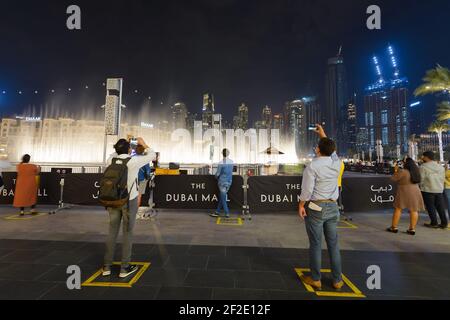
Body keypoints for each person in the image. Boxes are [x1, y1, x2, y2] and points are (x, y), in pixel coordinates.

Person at [102, 137, 156, 278]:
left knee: (112, 232)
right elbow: (152, 155)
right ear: (129, 150)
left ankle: (107, 266)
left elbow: (113, 154)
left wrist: (123, 144)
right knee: (128, 233)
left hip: (113, 201)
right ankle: (124, 268)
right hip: (128, 201)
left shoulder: (111, 161)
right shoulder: (133, 161)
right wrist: (144, 144)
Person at [298, 124, 343, 291]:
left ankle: (316, 279)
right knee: (333, 244)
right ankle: (337, 280)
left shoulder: (313, 166)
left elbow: (307, 190)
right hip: (333, 207)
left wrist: (301, 205)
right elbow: (330, 149)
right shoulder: (336, 162)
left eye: (317, 146)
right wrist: (323, 133)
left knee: (316, 244)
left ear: (318, 150)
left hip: (316, 207)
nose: (315, 148)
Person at [387, 158, 425, 235]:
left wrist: (396, 170)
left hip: (403, 191)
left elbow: (393, 178)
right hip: (415, 190)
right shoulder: (416, 171)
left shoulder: (403, 171)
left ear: (406, 164)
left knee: (398, 208)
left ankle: (394, 227)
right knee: (414, 210)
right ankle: (412, 229)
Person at [419, 151, 448, 229]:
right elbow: (442, 178)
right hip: (439, 189)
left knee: (430, 206)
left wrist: (420, 186)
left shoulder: (423, 167)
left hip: (428, 189)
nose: (422, 158)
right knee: (440, 206)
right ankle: (444, 223)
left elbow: (421, 179)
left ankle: (434, 223)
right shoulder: (440, 167)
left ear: (427, 157)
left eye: (423, 156)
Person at [210, 149, 234, 219]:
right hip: (229, 181)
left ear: (222, 154)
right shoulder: (232, 162)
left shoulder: (221, 163)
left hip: (222, 182)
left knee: (223, 198)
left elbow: (217, 174)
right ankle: (217, 212)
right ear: (228, 153)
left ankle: (227, 212)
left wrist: (215, 177)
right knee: (222, 197)